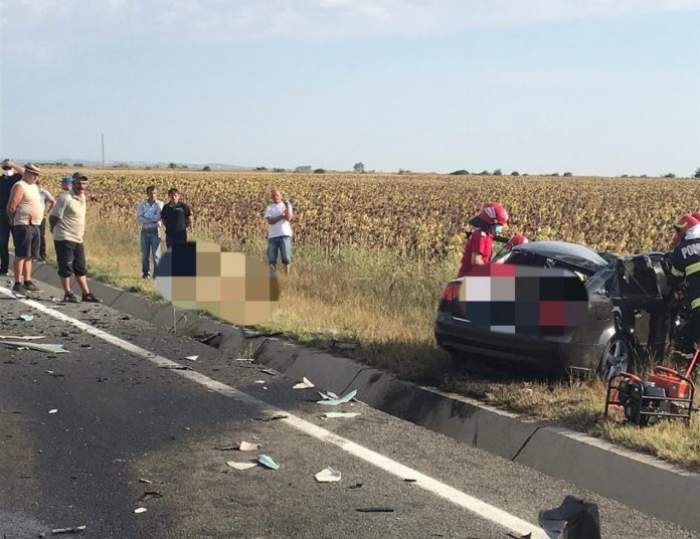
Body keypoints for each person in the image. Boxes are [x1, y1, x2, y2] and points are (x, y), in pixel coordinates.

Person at [49, 172, 100, 303]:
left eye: (83, 183)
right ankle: (68, 293)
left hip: (78, 238)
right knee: (66, 267)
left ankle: (86, 294)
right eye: (78, 183)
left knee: (80, 267)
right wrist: (53, 229)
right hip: (64, 236)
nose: (81, 186)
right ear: (73, 183)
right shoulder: (65, 198)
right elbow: (54, 216)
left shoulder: (82, 197)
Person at [6, 163, 43, 293]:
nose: (35, 177)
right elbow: (11, 206)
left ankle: (27, 280)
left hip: (34, 224)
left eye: (37, 175)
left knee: (30, 255)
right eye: (33, 174)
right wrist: (13, 220)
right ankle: (17, 282)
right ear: (27, 173)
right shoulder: (19, 186)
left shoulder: (33, 186)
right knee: (21, 254)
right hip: (23, 224)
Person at [670, 213, 700, 348]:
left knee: (692, 335)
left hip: (698, 302)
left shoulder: (681, 250)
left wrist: (677, 290)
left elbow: (675, 276)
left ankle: (688, 362)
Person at [457, 202, 508, 277]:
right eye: (499, 225)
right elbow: (475, 261)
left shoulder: (488, 236)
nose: (500, 228)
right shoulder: (480, 236)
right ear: (491, 222)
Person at [0, 159, 24, 275]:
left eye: (8, 168)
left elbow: (27, 174)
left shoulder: (17, 178)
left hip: (16, 214)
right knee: (2, 242)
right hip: (1, 214)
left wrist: (13, 164)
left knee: (18, 243)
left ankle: (19, 271)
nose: (7, 170)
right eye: (5, 168)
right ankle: (4, 268)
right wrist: (2, 164)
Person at [136, 185, 164, 278]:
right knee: (145, 255)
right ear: (147, 194)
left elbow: (159, 217)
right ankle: (145, 274)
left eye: (154, 193)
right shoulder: (142, 204)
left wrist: (146, 218)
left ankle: (156, 275)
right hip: (145, 231)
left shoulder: (160, 204)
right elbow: (139, 218)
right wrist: (152, 220)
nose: (153, 195)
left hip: (155, 231)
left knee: (156, 255)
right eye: (151, 193)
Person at [264, 188, 293, 275]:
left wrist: (287, 207)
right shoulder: (269, 207)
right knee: (272, 259)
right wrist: (281, 216)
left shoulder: (287, 205)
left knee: (286, 258)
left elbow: (289, 218)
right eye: (273, 195)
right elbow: (270, 221)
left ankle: (286, 276)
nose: (275, 197)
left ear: (280, 196)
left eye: (277, 195)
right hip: (273, 236)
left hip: (285, 234)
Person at [34, 177, 56, 261]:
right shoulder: (27, 191)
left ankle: (42, 255)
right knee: (32, 237)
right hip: (30, 217)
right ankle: (34, 254)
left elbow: (53, 201)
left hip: (40, 217)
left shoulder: (43, 192)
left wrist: (47, 212)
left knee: (41, 236)